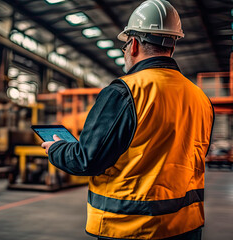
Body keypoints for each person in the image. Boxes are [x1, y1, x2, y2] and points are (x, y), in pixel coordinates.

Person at [41, 0, 214, 239]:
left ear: (132, 44)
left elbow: (86, 160)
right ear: (172, 46)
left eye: (124, 47)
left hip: (132, 227)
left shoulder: (125, 92)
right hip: (186, 225)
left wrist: (56, 148)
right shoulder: (200, 98)